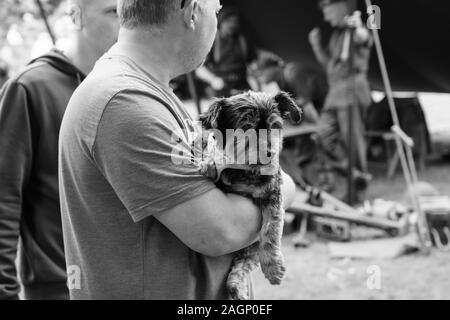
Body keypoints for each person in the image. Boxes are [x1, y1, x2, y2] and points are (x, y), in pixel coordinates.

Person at [59, 0, 296, 300]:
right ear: (192, 11)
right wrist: (285, 187)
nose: (218, 19)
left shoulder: (149, 92)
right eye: (217, 8)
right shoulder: (125, 102)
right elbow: (218, 232)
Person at [0, 0, 119, 300]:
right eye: (113, 12)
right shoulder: (29, 88)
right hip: (58, 287)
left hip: (124, 282)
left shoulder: (128, 90)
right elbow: (3, 201)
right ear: (76, 16)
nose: (127, 24)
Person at [309, 0, 373, 195]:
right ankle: (354, 175)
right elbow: (330, 66)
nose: (327, 18)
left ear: (341, 8)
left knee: (353, 142)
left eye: (329, 12)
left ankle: (357, 192)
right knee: (323, 136)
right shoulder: (337, 35)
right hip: (335, 93)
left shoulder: (355, 30)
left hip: (351, 91)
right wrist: (316, 46)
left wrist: (359, 27)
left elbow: (365, 37)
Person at [195, 6, 256, 97]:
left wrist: (254, 75)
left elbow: (252, 63)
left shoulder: (242, 40)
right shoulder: (212, 41)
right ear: (221, 22)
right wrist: (213, 80)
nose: (232, 24)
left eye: (235, 21)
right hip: (221, 86)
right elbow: (199, 70)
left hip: (242, 84)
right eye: (228, 21)